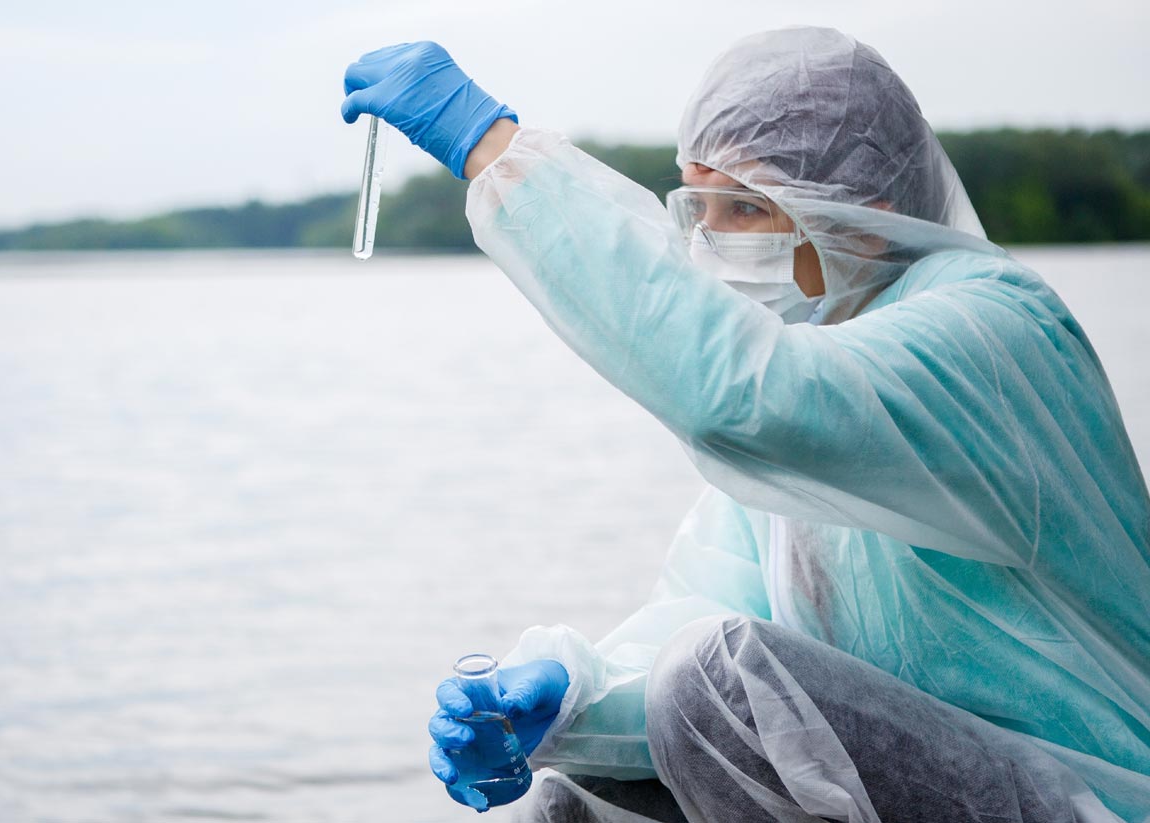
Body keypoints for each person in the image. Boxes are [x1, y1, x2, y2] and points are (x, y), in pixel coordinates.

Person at [339, 27, 1150, 822]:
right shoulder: (819, 371)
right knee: (572, 793)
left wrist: (498, 156)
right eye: (696, 202)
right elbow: (709, 600)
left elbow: (745, 397)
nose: (706, 241)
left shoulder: (989, 334)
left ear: (863, 217)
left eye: (742, 207)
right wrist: (566, 697)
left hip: (1093, 802)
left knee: (716, 676)